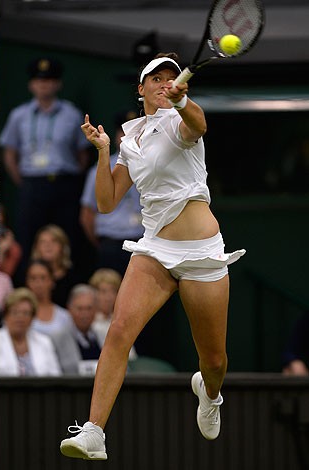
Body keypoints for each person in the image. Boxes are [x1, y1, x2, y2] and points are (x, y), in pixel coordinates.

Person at [60, 53, 245, 460]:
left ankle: (210, 393)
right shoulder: (132, 137)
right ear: (140, 88)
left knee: (213, 360)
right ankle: (94, 431)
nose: (164, 84)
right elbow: (107, 203)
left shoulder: (180, 123)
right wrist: (105, 151)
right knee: (119, 331)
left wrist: (181, 102)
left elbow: (199, 123)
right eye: (156, 79)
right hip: (155, 248)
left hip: (201, 253)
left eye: (171, 79)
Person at [0, 57, 91, 280]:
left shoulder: (72, 114)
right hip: (32, 183)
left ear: (58, 84)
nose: (44, 85)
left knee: (66, 239)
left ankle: (66, 288)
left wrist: (69, 179)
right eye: (39, 80)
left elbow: (83, 153)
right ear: (31, 84)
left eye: (50, 80)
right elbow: (10, 153)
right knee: (27, 239)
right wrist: (25, 181)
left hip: (64, 184)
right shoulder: (18, 115)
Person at [80, 110, 144, 275]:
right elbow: (87, 214)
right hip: (111, 243)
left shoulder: (152, 165)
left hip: (145, 242)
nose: (127, 137)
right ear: (116, 134)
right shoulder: (101, 167)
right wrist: (102, 244)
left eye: (133, 132)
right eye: (123, 132)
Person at [24, 258, 79, 375]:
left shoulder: (65, 317)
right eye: (33, 278)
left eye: (43, 278)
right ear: (27, 282)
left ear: (51, 281)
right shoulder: (20, 315)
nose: (38, 283)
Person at [0, 288, 62, 377]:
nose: (20, 318)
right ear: (6, 315)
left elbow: (56, 377)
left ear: (32, 317)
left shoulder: (44, 342)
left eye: (25, 313)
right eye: (15, 312)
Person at [88, 268, 138, 361]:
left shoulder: (122, 321)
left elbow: (131, 357)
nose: (108, 297)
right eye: (103, 291)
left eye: (113, 291)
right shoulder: (88, 323)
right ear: (93, 293)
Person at [29, 224, 79, 308]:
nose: (48, 245)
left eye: (54, 241)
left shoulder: (74, 277)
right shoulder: (27, 272)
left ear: (62, 246)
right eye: (43, 242)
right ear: (36, 247)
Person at [65, 284, 104, 376]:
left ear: (96, 310)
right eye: (80, 308)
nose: (84, 314)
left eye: (89, 308)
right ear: (69, 309)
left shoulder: (104, 336)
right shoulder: (57, 339)